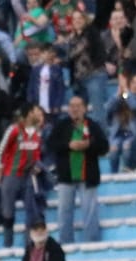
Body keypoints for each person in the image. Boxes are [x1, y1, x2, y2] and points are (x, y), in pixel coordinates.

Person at [45, 95, 109, 247]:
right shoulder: (61, 125)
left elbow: (104, 146)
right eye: (72, 105)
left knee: (90, 212)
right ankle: (65, 244)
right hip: (66, 176)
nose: (74, 109)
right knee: (64, 212)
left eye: (78, 106)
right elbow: (51, 145)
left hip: (88, 176)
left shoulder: (93, 125)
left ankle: (92, 245)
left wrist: (88, 145)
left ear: (85, 108)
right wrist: (69, 145)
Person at [0, 104, 46, 249]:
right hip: (11, 175)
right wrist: (0, 172)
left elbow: (37, 153)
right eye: (35, 112)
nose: (39, 114)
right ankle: (8, 244)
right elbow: (0, 151)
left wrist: (37, 165)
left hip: (28, 176)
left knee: (32, 210)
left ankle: (29, 245)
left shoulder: (38, 132)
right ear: (29, 114)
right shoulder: (14, 129)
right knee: (8, 212)